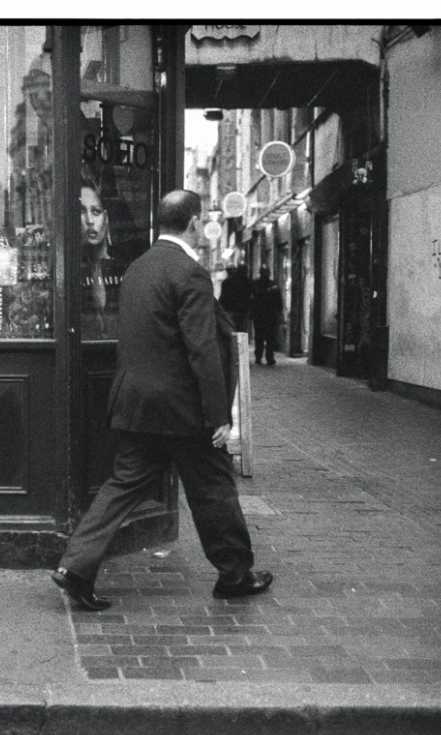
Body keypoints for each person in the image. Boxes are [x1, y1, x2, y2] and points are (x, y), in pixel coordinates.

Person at [52, 190, 272, 609]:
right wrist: (218, 414)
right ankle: (235, 574)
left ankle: (74, 567)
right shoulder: (189, 272)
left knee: (122, 487)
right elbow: (202, 349)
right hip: (182, 409)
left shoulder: (137, 268)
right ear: (192, 223)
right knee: (214, 488)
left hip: (136, 403)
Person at [250, 267, 284, 365]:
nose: (266, 274)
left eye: (267, 272)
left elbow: (278, 300)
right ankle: (261, 356)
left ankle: (268, 357)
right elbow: (254, 297)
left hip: (268, 314)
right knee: (261, 337)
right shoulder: (260, 284)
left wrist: (279, 312)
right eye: (264, 272)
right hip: (261, 314)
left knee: (268, 337)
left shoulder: (272, 284)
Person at [219, 263, 252, 333]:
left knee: (232, 331)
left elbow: (223, 297)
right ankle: (241, 343)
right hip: (242, 311)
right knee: (242, 332)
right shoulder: (248, 282)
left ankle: (234, 343)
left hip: (231, 310)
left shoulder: (227, 282)